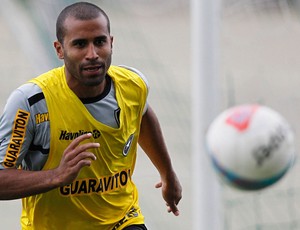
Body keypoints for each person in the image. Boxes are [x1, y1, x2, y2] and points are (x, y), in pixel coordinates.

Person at [0, 2, 182, 230]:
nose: (93, 54)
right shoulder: (31, 103)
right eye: (79, 44)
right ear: (59, 49)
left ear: (111, 42)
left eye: (99, 41)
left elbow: (143, 115)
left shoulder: (133, 84)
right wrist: (57, 176)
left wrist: (167, 173)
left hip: (123, 220)